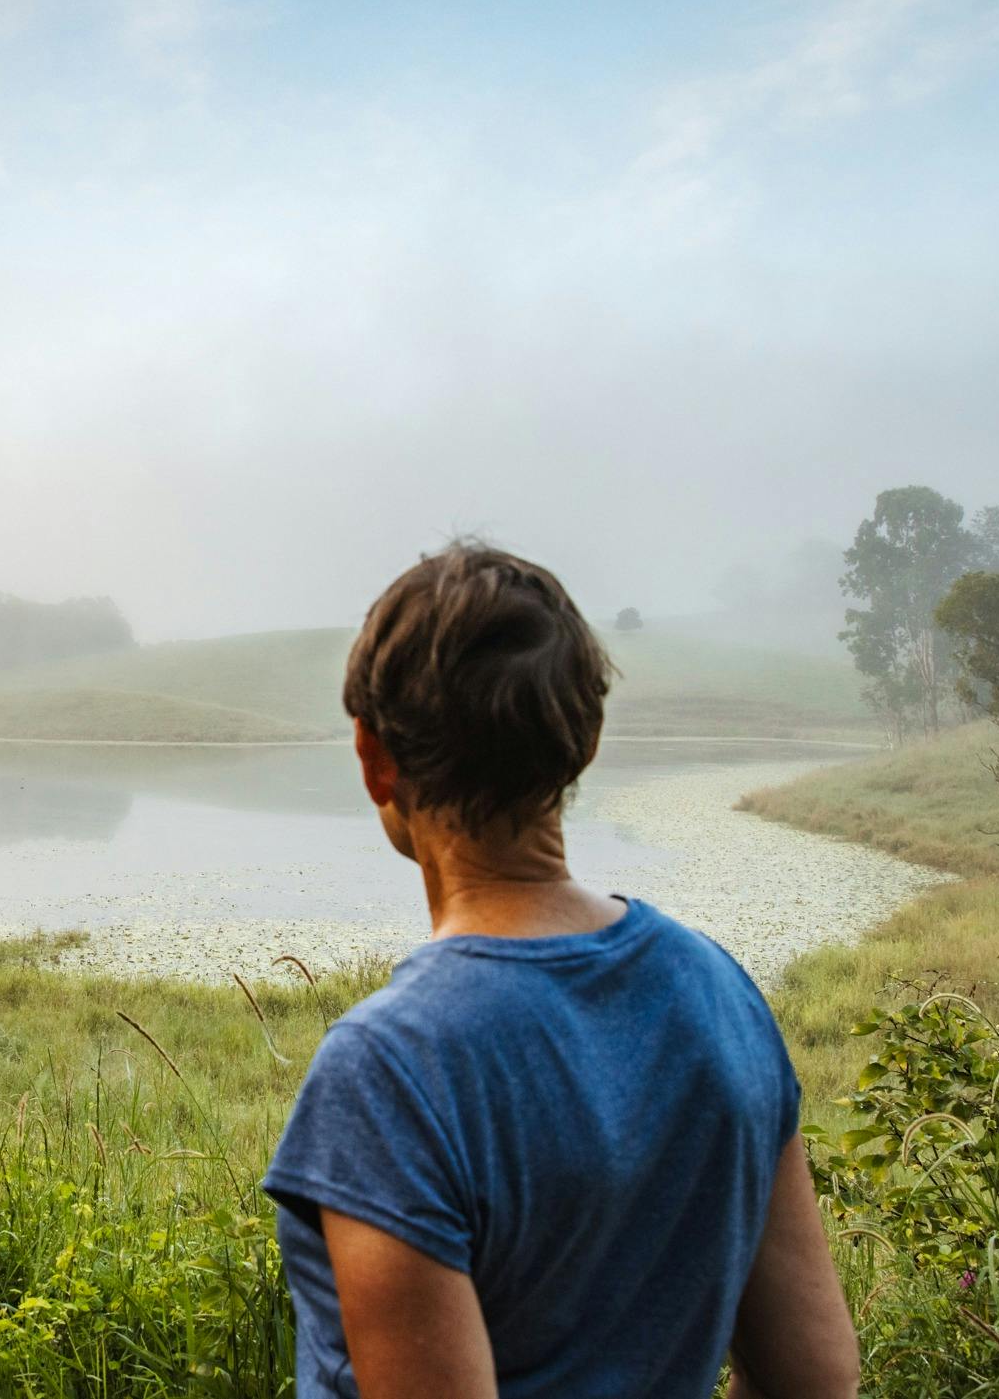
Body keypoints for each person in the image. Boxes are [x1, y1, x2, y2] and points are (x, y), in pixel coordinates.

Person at [264, 543, 858, 1399]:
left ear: (375, 756)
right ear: (581, 739)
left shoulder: (387, 1070)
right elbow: (817, 1378)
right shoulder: (720, 992)